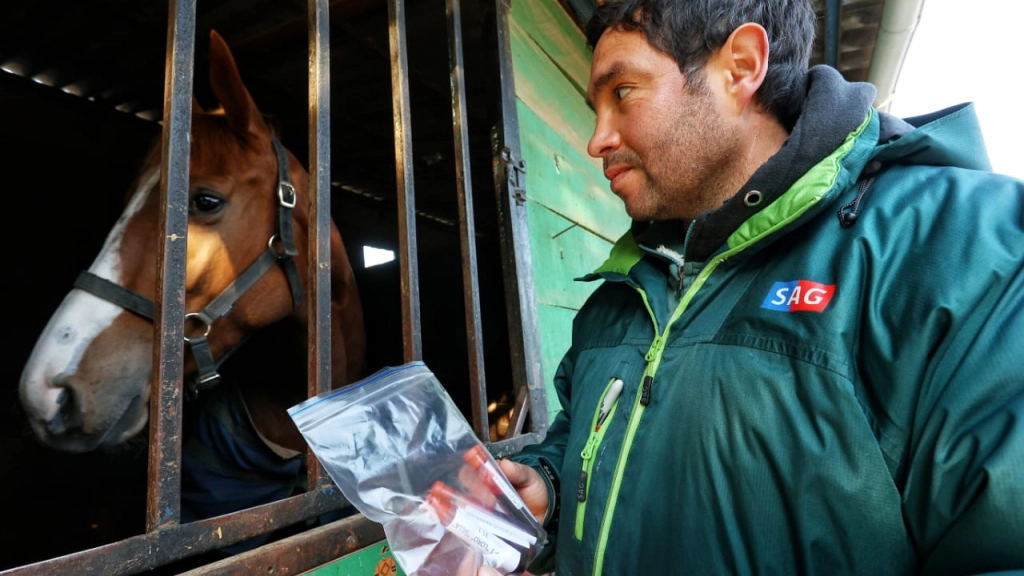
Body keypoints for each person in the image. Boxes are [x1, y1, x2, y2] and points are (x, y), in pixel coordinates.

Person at [482, 0, 1024, 574]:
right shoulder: (621, 293)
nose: (597, 139)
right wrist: (548, 482)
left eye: (622, 93)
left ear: (740, 66)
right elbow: (592, 438)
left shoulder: (957, 248)